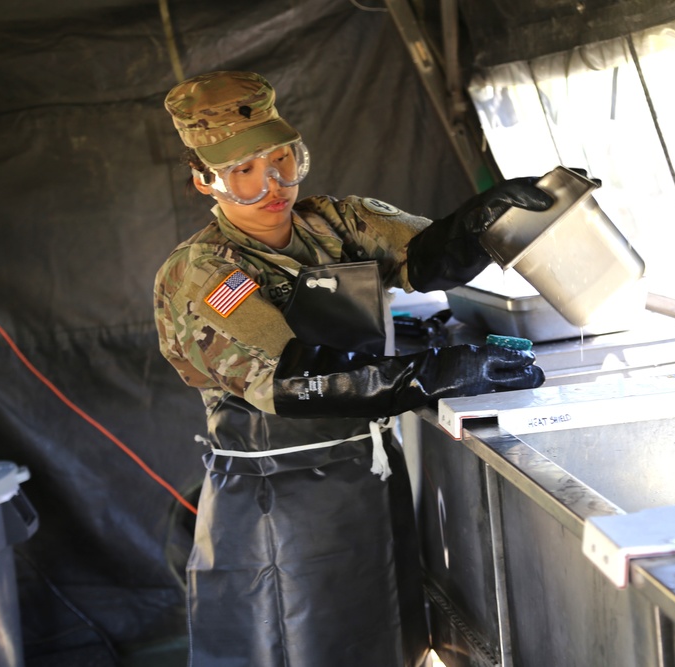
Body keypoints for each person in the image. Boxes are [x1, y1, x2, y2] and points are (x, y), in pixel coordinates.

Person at [155, 70, 552, 667]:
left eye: (282, 161)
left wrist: (484, 220)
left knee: (391, 645)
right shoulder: (207, 273)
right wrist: (429, 374)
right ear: (204, 180)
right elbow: (290, 379)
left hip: (367, 478)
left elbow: (426, 258)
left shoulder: (333, 223)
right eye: (243, 172)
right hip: (282, 506)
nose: (272, 185)